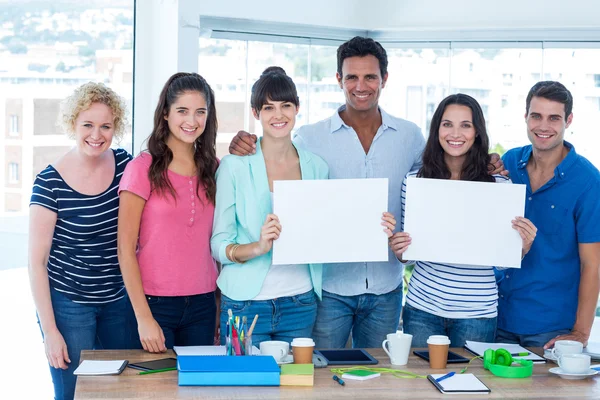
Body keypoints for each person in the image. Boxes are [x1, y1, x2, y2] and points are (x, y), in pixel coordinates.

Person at [229, 37, 504, 348]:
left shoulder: (411, 137)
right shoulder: (309, 138)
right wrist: (247, 142)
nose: (361, 85)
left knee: (382, 379)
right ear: (338, 80)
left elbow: (440, 179)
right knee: (323, 377)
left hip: (386, 290)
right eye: (352, 77)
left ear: (384, 79)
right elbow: (276, 156)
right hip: (331, 288)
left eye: (370, 76)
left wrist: (487, 163)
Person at [211, 67, 397, 345]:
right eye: (268, 107)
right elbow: (218, 245)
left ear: (297, 108)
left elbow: (331, 227)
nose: (278, 115)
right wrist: (258, 247)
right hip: (245, 305)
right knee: (246, 386)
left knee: (295, 387)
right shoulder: (233, 167)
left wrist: (374, 224)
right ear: (255, 113)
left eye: (286, 105)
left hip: (300, 304)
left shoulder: (316, 167)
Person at [389, 94, 537, 347]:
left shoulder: (498, 184)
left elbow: (501, 263)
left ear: (477, 132)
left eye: (465, 125)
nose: (455, 133)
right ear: (437, 130)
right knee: (418, 385)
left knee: (470, 385)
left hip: (477, 314)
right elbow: (409, 255)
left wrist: (522, 248)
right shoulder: (415, 181)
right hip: (423, 307)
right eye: (447, 124)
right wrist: (400, 249)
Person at [28, 82, 133, 400]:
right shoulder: (50, 182)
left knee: (122, 390)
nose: (96, 135)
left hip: (117, 299)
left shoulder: (125, 166)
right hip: (68, 304)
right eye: (88, 124)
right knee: (73, 393)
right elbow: (36, 263)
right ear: (72, 123)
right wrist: (50, 332)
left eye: (106, 126)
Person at [117, 72, 219, 353]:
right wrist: (143, 318)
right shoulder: (142, 168)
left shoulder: (215, 169)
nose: (192, 121)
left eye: (201, 112)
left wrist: (219, 305)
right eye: (182, 111)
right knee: (154, 394)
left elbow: (218, 241)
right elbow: (125, 250)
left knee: (198, 395)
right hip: (154, 304)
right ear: (165, 113)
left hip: (203, 303)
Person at [496, 81, 600, 349]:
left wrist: (580, 333)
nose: (543, 126)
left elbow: (593, 264)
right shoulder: (509, 164)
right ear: (526, 117)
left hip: (551, 331)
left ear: (569, 120)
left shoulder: (588, 181)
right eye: (536, 116)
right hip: (496, 320)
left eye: (554, 118)